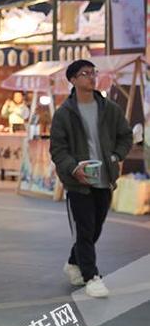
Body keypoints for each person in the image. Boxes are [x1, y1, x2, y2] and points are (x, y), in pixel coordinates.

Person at [50, 60, 132, 298]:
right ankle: (92, 276)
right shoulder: (64, 114)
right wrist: (73, 168)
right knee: (85, 230)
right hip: (79, 183)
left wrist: (116, 156)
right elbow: (58, 149)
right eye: (85, 74)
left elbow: (125, 136)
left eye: (93, 73)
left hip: (104, 179)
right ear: (73, 80)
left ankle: (73, 263)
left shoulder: (109, 108)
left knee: (95, 229)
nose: (91, 77)